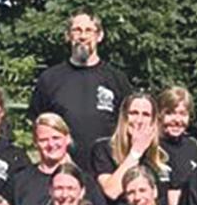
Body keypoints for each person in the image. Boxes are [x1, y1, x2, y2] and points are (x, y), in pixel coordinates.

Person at [27, 10, 132, 166]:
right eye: (77, 30)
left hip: (107, 170)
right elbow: (37, 124)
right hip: (62, 170)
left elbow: (128, 126)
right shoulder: (49, 79)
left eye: (89, 30)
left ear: (99, 36)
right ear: (68, 35)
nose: (83, 36)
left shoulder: (117, 79)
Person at [7, 113, 107, 205]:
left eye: (56, 138)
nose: (51, 144)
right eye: (43, 140)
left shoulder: (84, 180)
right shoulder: (20, 180)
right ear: (35, 143)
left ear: (67, 138)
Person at [91, 92, 172, 205]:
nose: (139, 120)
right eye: (134, 113)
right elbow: (111, 191)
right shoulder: (103, 148)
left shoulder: (162, 155)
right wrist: (136, 152)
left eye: (146, 115)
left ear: (153, 121)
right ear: (124, 117)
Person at [157, 86, 197, 205]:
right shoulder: (150, 146)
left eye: (183, 114)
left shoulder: (193, 149)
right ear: (159, 114)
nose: (177, 120)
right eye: (170, 113)